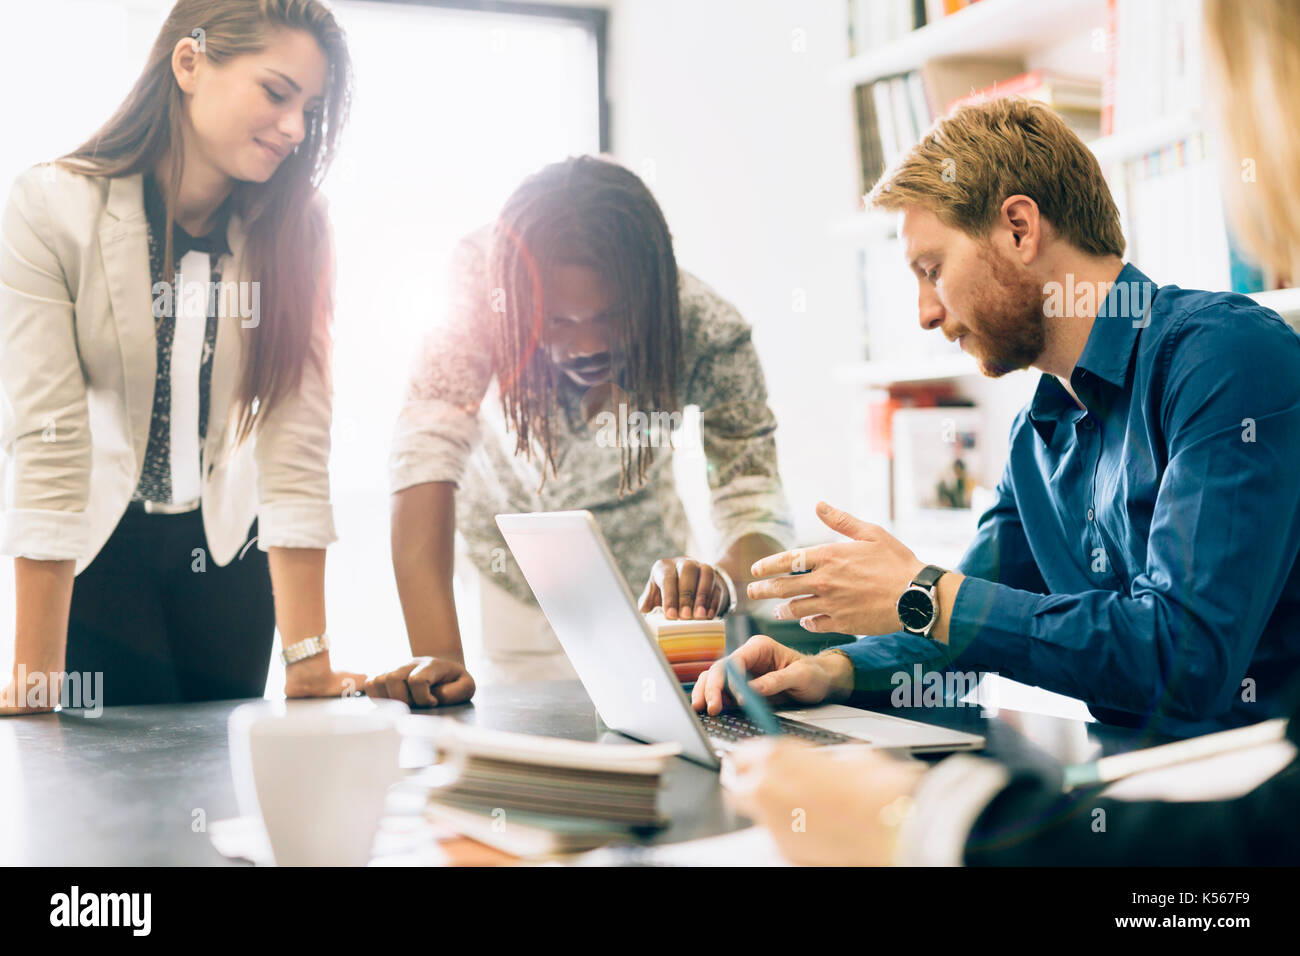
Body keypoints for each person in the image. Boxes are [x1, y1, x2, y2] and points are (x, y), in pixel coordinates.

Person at [722, 0, 1300, 866]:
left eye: (931, 270)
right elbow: (974, 609)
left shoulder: (1227, 359)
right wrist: (841, 668)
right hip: (1132, 807)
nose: (923, 312)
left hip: (1242, 824)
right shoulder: (1042, 430)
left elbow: (1185, 660)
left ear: (1019, 228)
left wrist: (922, 592)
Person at [0, 0, 365, 713]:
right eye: (276, 92)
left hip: (228, 559)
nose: (295, 128)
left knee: (209, 803)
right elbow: (50, 442)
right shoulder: (50, 208)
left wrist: (310, 663)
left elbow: (294, 441)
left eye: (310, 110)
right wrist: (35, 667)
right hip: (100, 557)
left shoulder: (298, 227)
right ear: (190, 63)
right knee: (105, 806)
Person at [369, 156, 793, 704]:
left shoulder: (707, 328)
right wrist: (443, 659)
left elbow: (752, 495)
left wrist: (722, 578)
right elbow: (423, 461)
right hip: (512, 573)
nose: (588, 344)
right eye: (559, 321)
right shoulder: (480, 295)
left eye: (612, 316)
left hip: (649, 586)